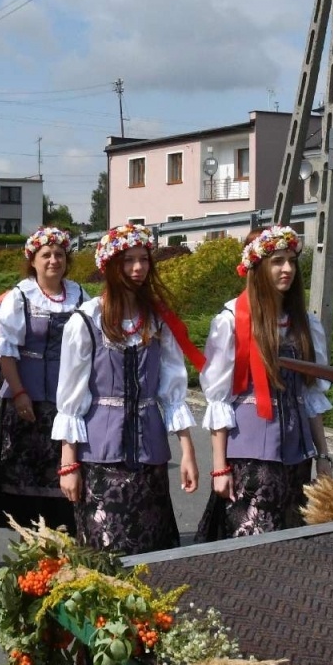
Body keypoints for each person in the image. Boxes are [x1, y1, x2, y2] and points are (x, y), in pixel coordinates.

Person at [54, 223, 201, 556]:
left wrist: (188, 451)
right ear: (110, 266)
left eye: (143, 259)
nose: (138, 268)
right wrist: (68, 464)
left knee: (152, 545)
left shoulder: (156, 320)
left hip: (150, 453)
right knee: (105, 549)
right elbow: (72, 400)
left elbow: (172, 389)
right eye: (128, 261)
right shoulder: (87, 320)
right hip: (101, 456)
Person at [197, 227, 333, 542]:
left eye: (291, 261)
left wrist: (323, 457)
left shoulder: (304, 323)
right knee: (251, 537)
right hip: (251, 455)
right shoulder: (233, 321)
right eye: (277, 261)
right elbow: (218, 398)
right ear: (257, 267)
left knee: (293, 537)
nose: (287, 269)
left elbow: (311, 395)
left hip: (297, 455)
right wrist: (219, 468)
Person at [0, 227, 86, 533]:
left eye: (59, 255)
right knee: (26, 474)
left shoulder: (80, 294)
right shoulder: (20, 296)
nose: (54, 260)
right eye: (46, 255)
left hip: (67, 398)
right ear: (33, 261)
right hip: (28, 396)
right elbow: (6, 350)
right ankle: (32, 545)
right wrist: (18, 393)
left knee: (63, 468)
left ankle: (63, 540)